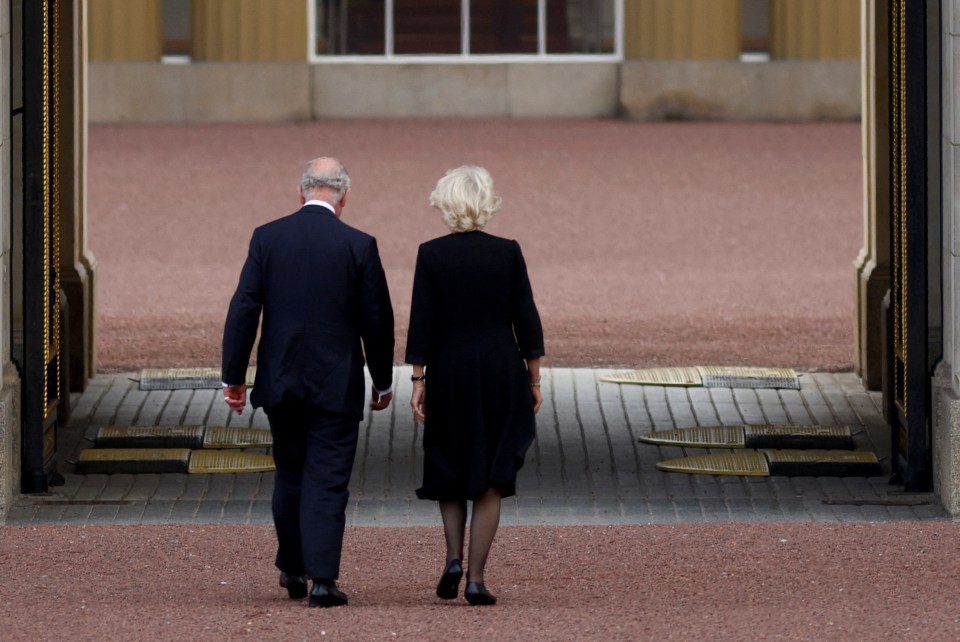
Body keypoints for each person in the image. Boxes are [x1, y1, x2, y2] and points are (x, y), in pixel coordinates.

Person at [221, 157, 395, 608]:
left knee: (291, 473)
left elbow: (245, 308)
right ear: (344, 198)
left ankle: (292, 568)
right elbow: (376, 320)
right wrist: (382, 380)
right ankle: (322, 579)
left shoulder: (268, 237)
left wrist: (234, 377)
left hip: (280, 379)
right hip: (336, 383)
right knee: (328, 478)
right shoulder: (359, 244)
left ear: (301, 192)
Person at [405, 165, 544, 606]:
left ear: (445, 204)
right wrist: (534, 378)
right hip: (501, 367)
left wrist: (418, 378)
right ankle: (477, 578)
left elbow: (422, 321)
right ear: (487, 203)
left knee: (449, 464)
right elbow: (527, 318)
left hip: (450, 369)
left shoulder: (431, 253)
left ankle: (451, 558)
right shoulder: (507, 252)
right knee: (491, 475)